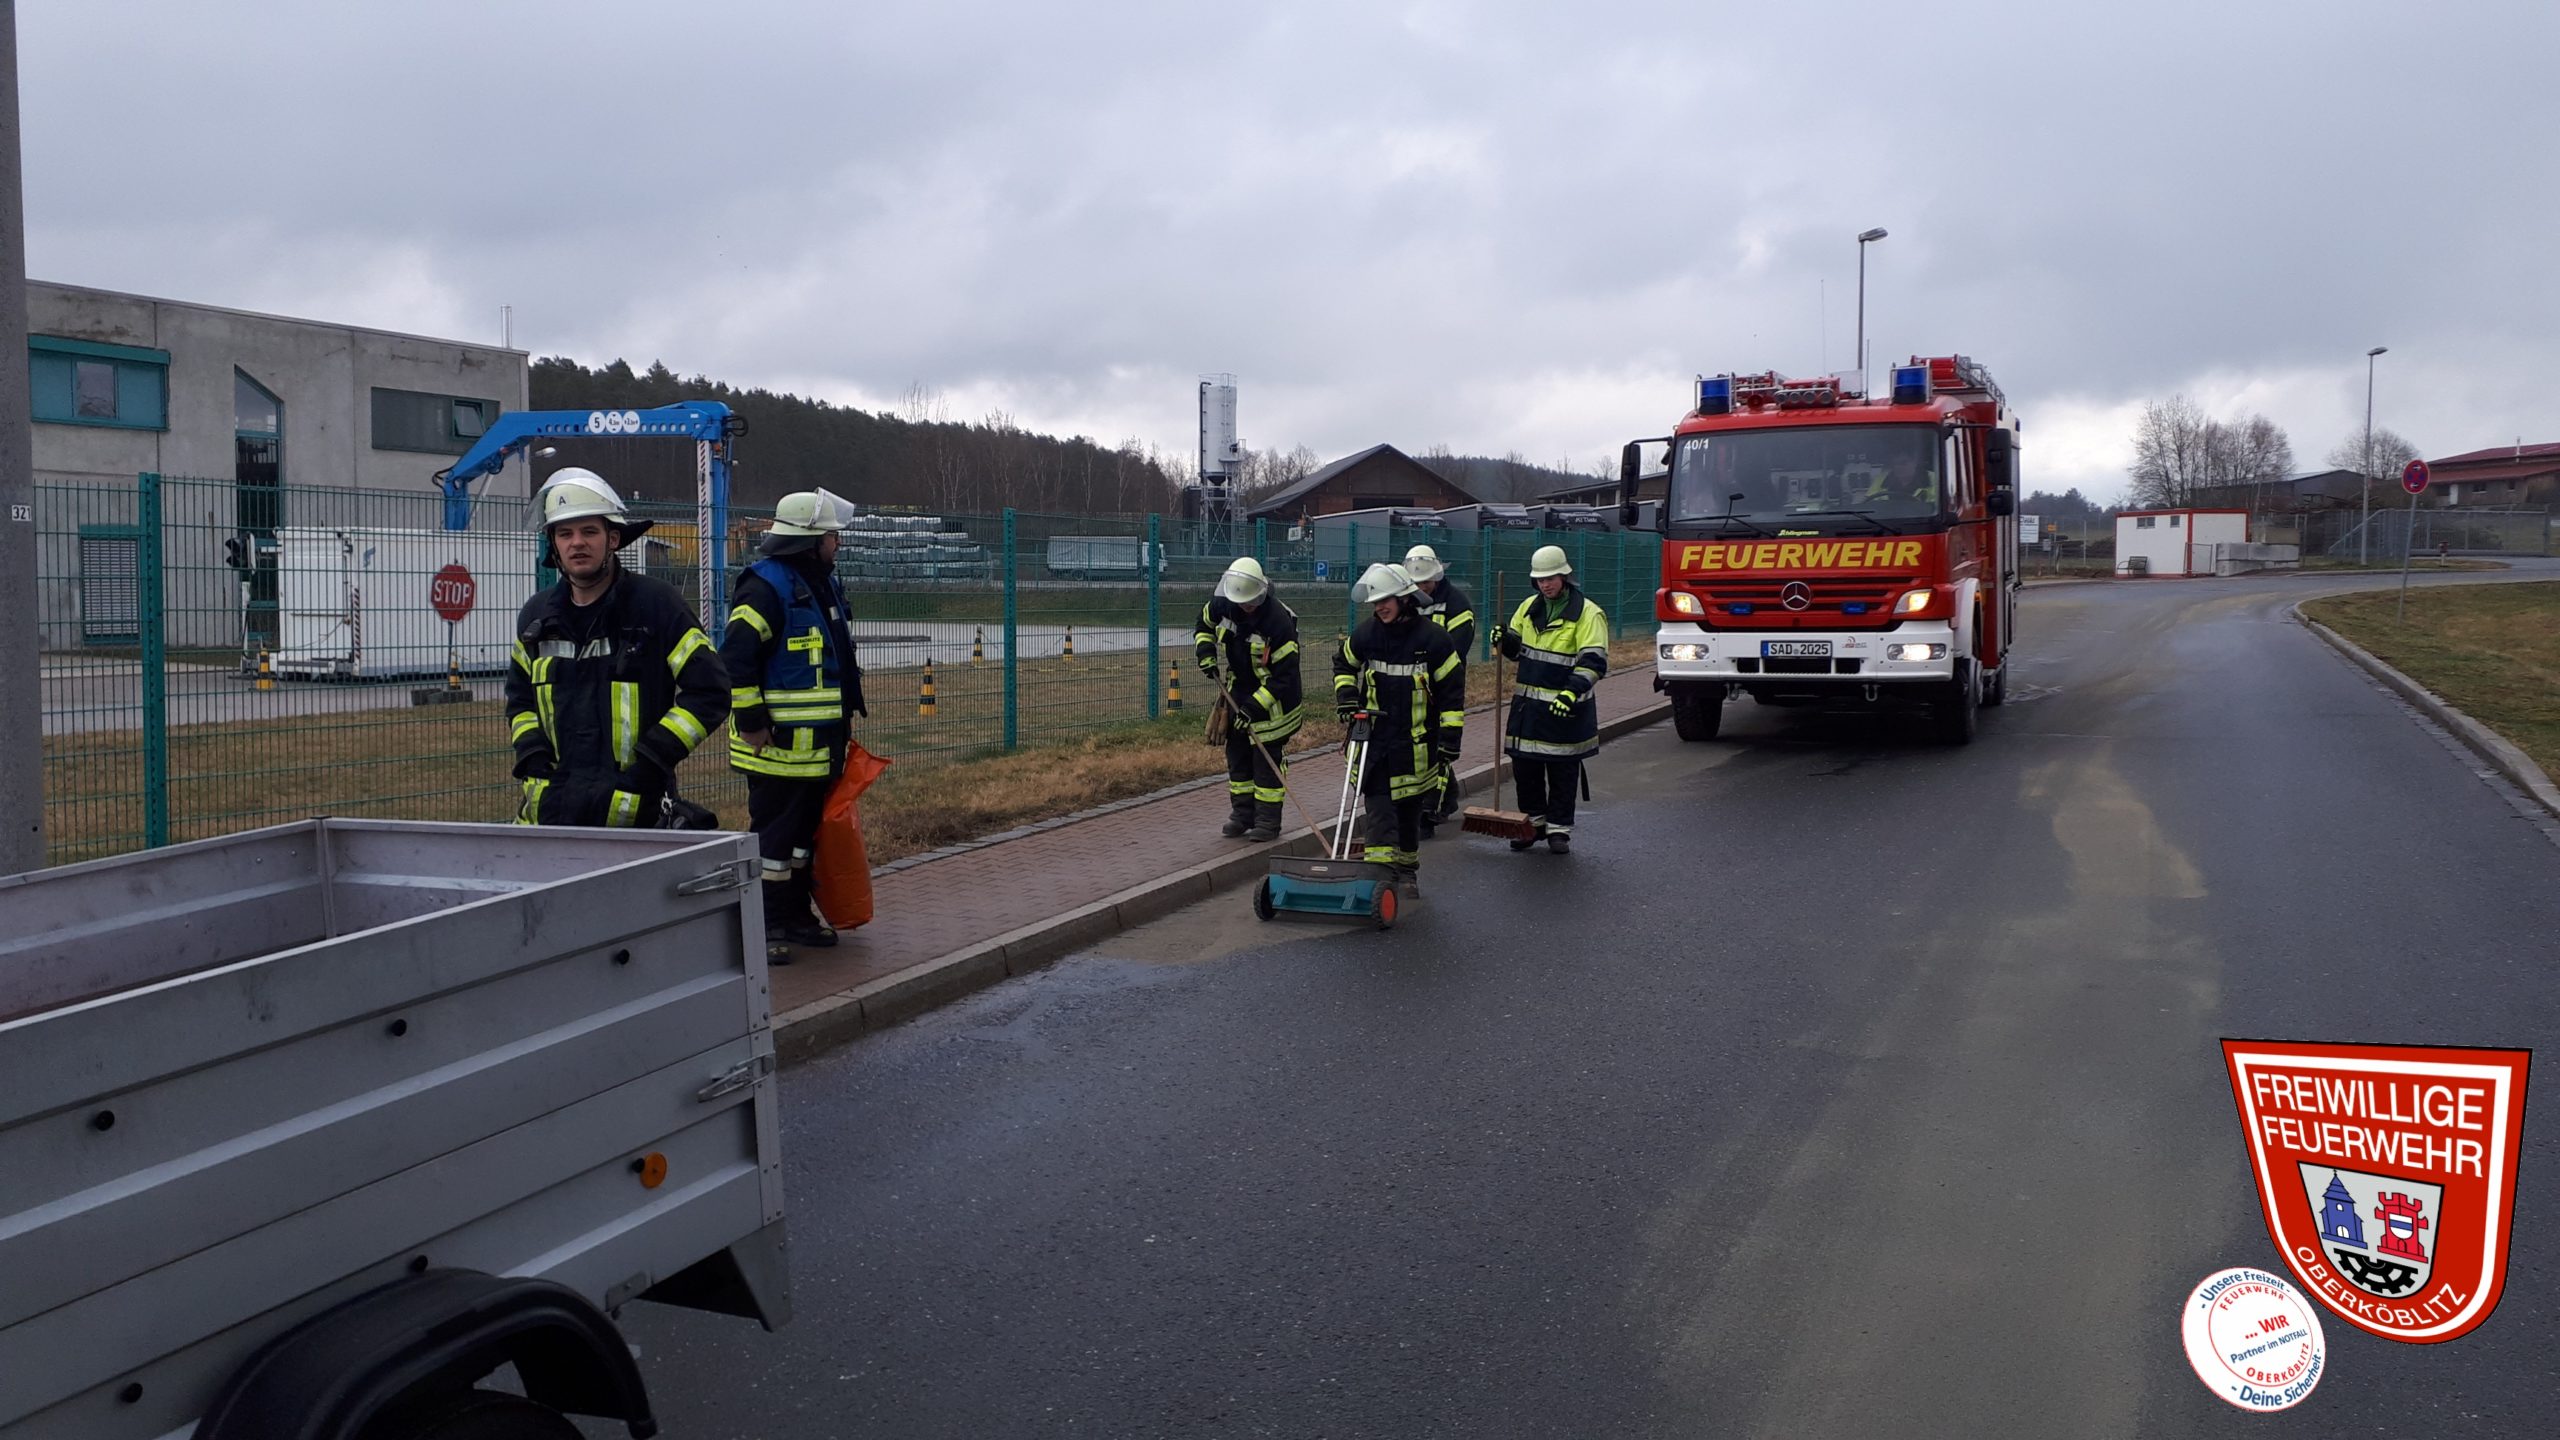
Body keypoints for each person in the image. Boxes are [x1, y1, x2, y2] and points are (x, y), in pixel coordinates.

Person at [505, 468, 729, 829]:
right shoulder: (536, 617)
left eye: (589, 531)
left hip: (632, 815)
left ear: (613, 538)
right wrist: (531, 753)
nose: (577, 543)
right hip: (548, 815)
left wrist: (654, 758)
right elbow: (520, 700)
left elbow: (709, 691)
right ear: (553, 544)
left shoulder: (656, 605)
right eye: (565, 533)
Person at [723, 489, 867, 953]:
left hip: (819, 747)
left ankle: (796, 916)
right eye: (831, 536)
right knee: (774, 843)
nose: (837, 543)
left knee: (804, 841)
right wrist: (751, 720)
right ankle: (766, 926)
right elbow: (736, 660)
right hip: (776, 749)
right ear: (810, 540)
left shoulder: (818, 583)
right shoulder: (765, 587)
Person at [1333, 563, 1463, 897]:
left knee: (1408, 814)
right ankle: (1378, 877)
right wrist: (1347, 697)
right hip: (1375, 744)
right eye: (1376, 602)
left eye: (1386, 600)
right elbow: (1344, 663)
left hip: (1415, 746)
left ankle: (1406, 872)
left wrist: (1450, 740)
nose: (1380, 608)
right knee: (1378, 812)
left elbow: (1451, 694)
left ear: (1405, 599)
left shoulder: (1434, 640)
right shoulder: (1367, 634)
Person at [1495, 544, 1608, 855]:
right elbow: (1518, 651)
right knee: (1525, 768)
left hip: (1564, 709)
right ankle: (1533, 824)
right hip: (1528, 709)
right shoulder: (1528, 608)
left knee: (1562, 770)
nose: (1545, 585)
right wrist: (1505, 641)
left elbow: (1594, 661)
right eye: (1540, 580)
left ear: (1564, 577)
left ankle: (1558, 829)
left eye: (1551, 579)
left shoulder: (1588, 613)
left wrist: (1570, 693)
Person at [1192, 556, 1304, 841]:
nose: (1246, 607)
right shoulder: (1222, 604)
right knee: (1238, 754)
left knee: (1265, 761)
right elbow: (1204, 625)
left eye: (1252, 602)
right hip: (1239, 690)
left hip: (1274, 701)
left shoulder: (1278, 623)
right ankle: (1242, 815)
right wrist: (1206, 654)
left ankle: (1268, 821)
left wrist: (1253, 708)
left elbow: (1283, 677)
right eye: (1242, 602)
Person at [1402, 543, 1476, 827]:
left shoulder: (1458, 605)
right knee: (1421, 742)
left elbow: (1456, 650)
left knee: (1438, 742)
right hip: (1413, 684)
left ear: (1437, 575)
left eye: (1426, 581)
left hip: (1445, 685)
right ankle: (1449, 796)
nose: (1421, 587)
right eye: (1416, 582)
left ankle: (1429, 808)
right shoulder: (1408, 601)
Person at [1862, 451, 1938, 510]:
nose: (1898, 467)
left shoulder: (1935, 479)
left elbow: (1938, 507)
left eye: (1903, 463)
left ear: (1915, 462)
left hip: (1922, 521)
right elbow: (1868, 504)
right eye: (1894, 464)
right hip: (1885, 521)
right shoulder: (1882, 479)